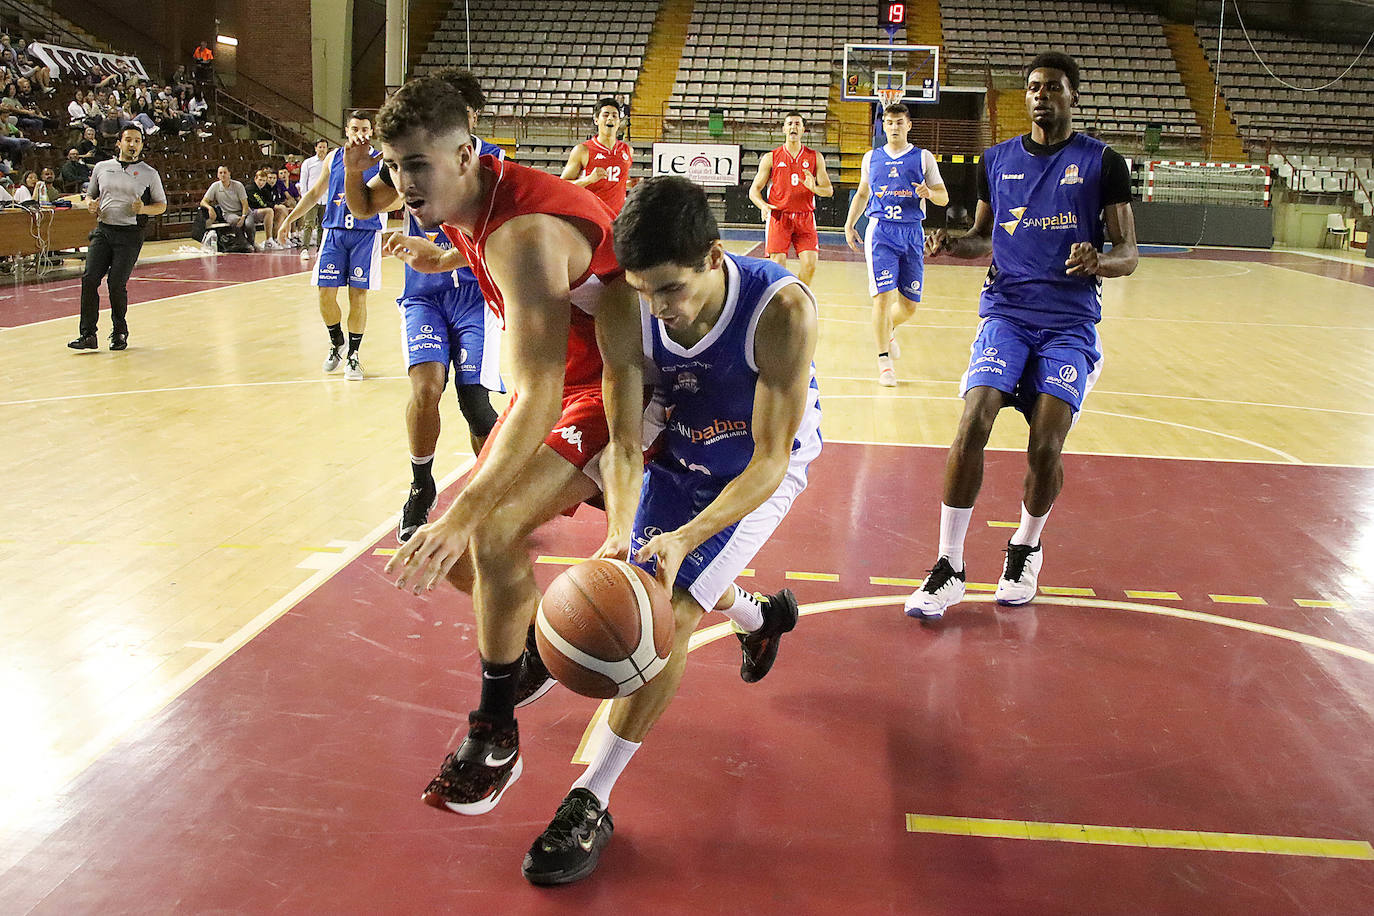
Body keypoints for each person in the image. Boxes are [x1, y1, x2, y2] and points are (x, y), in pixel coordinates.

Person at [518, 175, 821, 885]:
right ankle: (760, 618)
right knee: (645, 571)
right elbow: (625, 442)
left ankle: (591, 797)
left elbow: (771, 460)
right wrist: (621, 531)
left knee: (670, 611)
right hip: (677, 449)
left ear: (714, 257)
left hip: (754, 469)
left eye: (671, 291)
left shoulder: (780, 310)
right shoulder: (628, 302)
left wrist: (684, 538)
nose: (658, 308)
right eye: (643, 291)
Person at [372, 70, 641, 841]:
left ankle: (495, 732)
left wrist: (464, 512)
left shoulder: (520, 234)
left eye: (416, 166)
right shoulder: (467, 198)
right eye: (393, 166)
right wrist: (443, 260)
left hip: (619, 385)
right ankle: (527, 658)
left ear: (464, 155)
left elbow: (540, 394)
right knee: (463, 550)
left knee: (482, 530)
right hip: (572, 380)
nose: (402, 183)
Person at [904, 52, 1138, 619]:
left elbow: (1128, 252)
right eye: (1033, 87)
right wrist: (953, 243)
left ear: (1072, 96)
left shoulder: (1104, 163)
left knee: (1045, 443)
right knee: (973, 419)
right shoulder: (997, 159)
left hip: (1069, 324)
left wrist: (1100, 261)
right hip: (1006, 314)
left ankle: (1026, 547)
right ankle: (949, 564)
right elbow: (984, 237)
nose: (1041, 96)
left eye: (1053, 87)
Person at [339, 68, 506, 544]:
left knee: (474, 402)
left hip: (475, 295)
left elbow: (498, 234)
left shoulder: (490, 162)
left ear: (470, 117)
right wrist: (353, 170)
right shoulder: (413, 158)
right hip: (423, 295)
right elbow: (364, 206)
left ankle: (493, 491)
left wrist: (446, 256)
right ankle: (421, 485)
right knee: (426, 388)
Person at [843, 103, 948, 388]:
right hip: (881, 232)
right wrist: (850, 224)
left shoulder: (923, 158)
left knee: (909, 306)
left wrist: (929, 193)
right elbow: (862, 193)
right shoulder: (871, 157)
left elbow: (944, 197)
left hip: (912, 232)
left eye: (899, 122)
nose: (894, 127)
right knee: (882, 296)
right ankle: (884, 362)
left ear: (908, 125)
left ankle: (888, 328)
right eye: (889, 122)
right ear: (884, 126)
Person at [276, 111, 385, 380]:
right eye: (355, 128)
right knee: (325, 293)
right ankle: (337, 341)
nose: (360, 133)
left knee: (357, 296)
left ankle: (353, 356)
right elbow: (314, 193)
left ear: (371, 132)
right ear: (347, 131)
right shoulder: (334, 158)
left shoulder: (380, 160)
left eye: (365, 129)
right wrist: (289, 219)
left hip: (365, 234)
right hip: (334, 232)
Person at [68, 126, 166, 351]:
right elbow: (90, 195)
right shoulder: (102, 167)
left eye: (137, 141)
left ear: (141, 145)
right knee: (89, 279)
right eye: (129, 140)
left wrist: (143, 209)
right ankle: (88, 334)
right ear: (119, 143)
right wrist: (90, 204)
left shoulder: (149, 173)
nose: (133, 144)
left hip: (130, 234)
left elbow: (161, 205)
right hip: (104, 230)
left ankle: (120, 331)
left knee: (116, 283)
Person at [748, 110, 833, 286]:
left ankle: (799, 295)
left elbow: (828, 190)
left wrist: (814, 188)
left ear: (803, 130)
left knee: (810, 265)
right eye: (790, 124)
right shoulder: (771, 157)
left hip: (805, 217)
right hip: (779, 217)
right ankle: (780, 297)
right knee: (777, 266)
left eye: (797, 124)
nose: (793, 127)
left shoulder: (815, 157)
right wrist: (763, 205)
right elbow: (754, 190)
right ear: (784, 129)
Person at [559, 97, 632, 213]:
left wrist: (630, 184)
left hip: (617, 217)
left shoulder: (627, 150)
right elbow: (562, 187)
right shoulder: (582, 150)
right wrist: (588, 180)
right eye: (606, 115)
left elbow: (615, 181)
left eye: (614, 116)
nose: (610, 118)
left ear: (619, 122)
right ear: (596, 120)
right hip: (590, 215)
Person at [197, 166, 253, 250]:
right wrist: (209, 208)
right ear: (218, 175)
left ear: (229, 174)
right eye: (220, 173)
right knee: (235, 221)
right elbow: (203, 201)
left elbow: (245, 204)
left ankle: (251, 242)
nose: (223, 175)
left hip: (244, 211)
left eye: (225, 172)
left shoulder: (238, 185)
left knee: (249, 225)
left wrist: (243, 216)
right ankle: (244, 243)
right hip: (229, 213)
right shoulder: (215, 186)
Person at [296, 138, 329, 259]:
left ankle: (320, 249)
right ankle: (304, 249)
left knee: (323, 225)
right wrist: (305, 197)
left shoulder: (330, 162)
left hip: (326, 198)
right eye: (320, 147)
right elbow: (303, 181)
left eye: (324, 147)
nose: (322, 149)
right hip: (312, 199)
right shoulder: (308, 163)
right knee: (308, 224)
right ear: (315, 148)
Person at [245, 167, 282, 249]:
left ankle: (276, 238)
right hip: (250, 212)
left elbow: (270, 201)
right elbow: (260, 203)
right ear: (255, 179)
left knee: (280, 210)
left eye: (264, 181)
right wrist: (271, 205)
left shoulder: (264, 189)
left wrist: (273, 205)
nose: (261, 183)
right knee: (269, 211)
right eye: (260, 180)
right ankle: (269, 240)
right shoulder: (250, 188)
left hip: (258, 211)